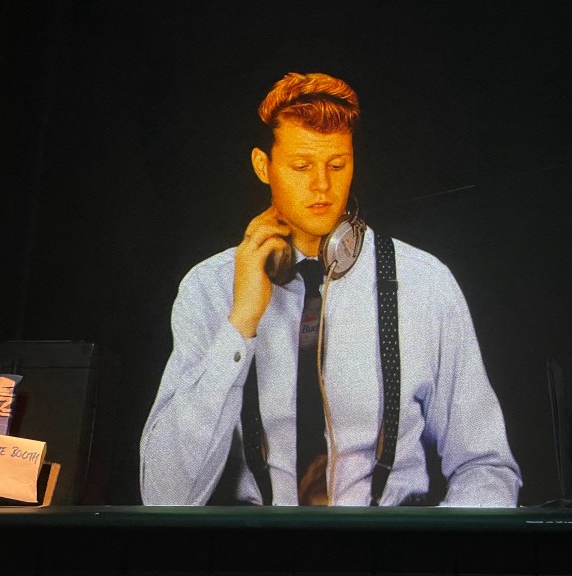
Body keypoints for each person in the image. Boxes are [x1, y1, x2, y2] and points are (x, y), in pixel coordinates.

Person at [139, 71, 521, 507]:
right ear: (263, 167)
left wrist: (430, 552)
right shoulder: (208, 289)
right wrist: (240, 323)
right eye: (301, 166)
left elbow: (486, 466)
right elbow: (163, 495)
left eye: (337, 165)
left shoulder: (425, 283)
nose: (322, 185)